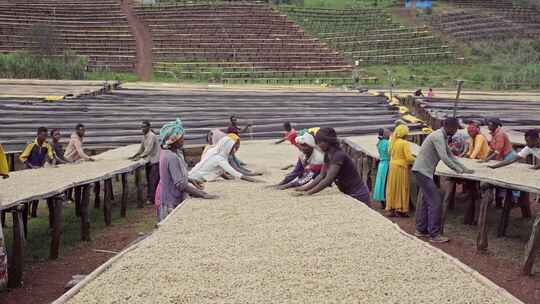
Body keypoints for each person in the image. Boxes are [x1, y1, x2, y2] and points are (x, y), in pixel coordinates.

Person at [412, 118, 474, 243]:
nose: (456, 131)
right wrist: (458, 171)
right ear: (449, 127)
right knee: (435, 202)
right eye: (456, 129)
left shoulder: (443, 136)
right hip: (423, 171)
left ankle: (421, 230)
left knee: (426, 202)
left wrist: (464, 169)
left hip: (422, 171)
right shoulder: (438, 136)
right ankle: (434, 234)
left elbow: (450, 155)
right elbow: (444, 157)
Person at [156, 118, 216, 222]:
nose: (183, 140)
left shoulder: (174, 153)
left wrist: (191, 179)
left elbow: (178, 175)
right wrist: (203, 194)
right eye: (181, 138)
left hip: (171, 197)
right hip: (170, 201)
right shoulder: (171, 157)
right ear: (173, 140)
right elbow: (180, 184)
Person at [294, 127, 371, 204]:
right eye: (317, 142)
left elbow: (328, 179)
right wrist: (304, 188)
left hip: (358, 193)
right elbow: (321, 175)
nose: (318, 145)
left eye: (320, 142)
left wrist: (309, 193)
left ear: (329, 141)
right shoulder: (327, 154)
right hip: (348, 192)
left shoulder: (338, 155)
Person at [189, 134, 261, 183]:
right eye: (232, 148)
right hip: (194, 178)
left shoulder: (214, 152)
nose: (234, 150)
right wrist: (255, 180)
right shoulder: (219, 159)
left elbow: (219, 170)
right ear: (227, 147)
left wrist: (228, 178)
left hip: (192, 175)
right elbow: (235, 173)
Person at [481, 118, 518, 206]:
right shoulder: (494, 134)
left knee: (509, 179)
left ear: (495, 125)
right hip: (503, 157)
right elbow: (491, 148)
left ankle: (514, 200)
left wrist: (488, 159)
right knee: (501, 178)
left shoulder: (500, 134)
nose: (488, 126)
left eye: (490, 124)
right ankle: (500, 200)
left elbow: (497, 150)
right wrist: (485, 159)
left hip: (509, 156)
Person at [386, 125, 416, 217]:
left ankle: (391, 208)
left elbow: (390, 153)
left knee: (393, 187)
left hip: (392, 166)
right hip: (401, 167)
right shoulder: (404, 143)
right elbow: (408, 157)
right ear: (405, 134)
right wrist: (417, 159)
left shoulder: (393, 142)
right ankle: (400, 209)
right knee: (401, 187)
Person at [130, 121, 161, 205]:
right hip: (149, 161)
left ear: (148, 127)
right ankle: (153, 197)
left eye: (144, 127)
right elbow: (141, 149)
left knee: (153, 180)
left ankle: (152, 199)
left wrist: (139, 157)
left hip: (155, 160)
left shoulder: (151, 136)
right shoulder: (144, 137)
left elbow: (148, 150)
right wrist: (134, 156)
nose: (142, 129)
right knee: (149, 179)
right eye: (141, 127)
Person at [373, 128, 391, 208]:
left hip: (381, 164)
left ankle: (382, 201)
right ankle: (386, 200)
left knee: (381, 183)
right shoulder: (387, 143)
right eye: (388, 133)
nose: (390, 134)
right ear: (384, 135)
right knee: (386, 183)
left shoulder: (379, 143)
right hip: (387, 163)